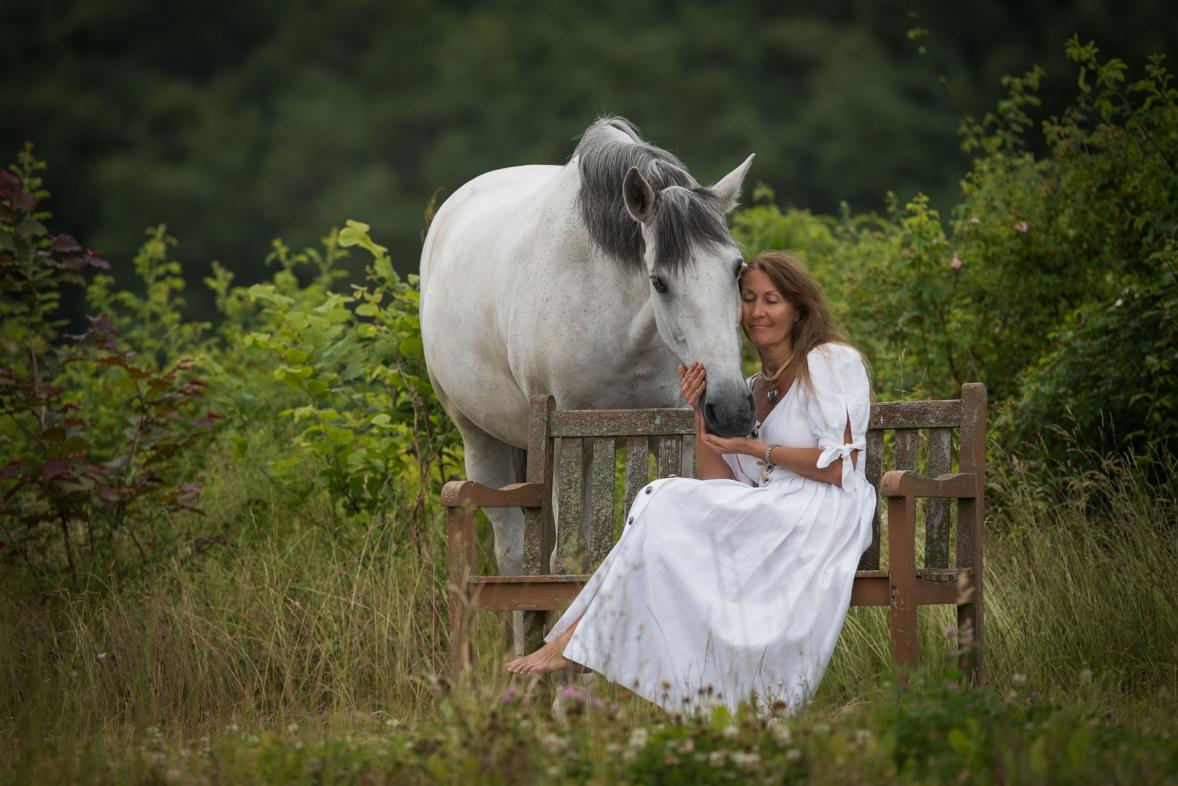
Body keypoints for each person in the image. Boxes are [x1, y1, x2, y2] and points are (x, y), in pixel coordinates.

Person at [504, 251, 876, 716]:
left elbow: (840, 466)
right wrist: (700, 411)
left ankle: (577, 639)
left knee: (663, 497)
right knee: (664, 497)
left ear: (798, 308)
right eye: (747, 299)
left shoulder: (830, 362)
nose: (758, 311)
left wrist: (755, 449)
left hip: (823, 511)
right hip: (770, 511)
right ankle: (591, 644)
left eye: (772, 300)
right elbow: (720, 481)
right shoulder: (753, 387)